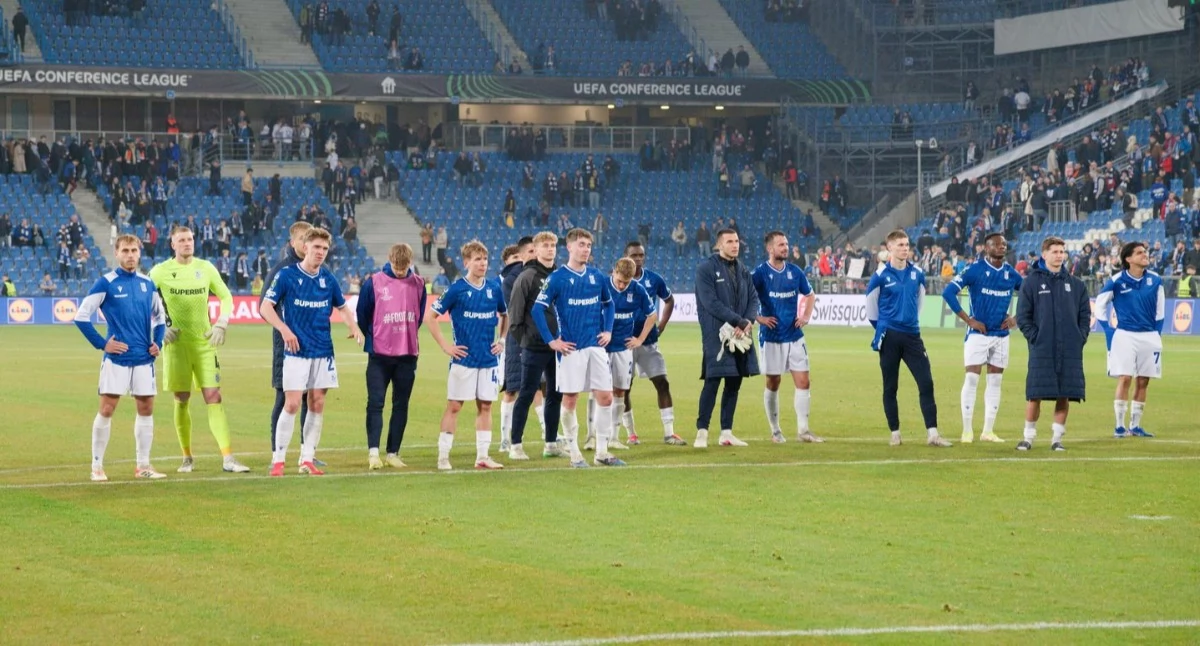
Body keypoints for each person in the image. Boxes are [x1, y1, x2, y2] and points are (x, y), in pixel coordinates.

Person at [260, 228, 364, 476]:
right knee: (293, 403)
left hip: (323, 351)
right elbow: (265, 307)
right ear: (305, 247)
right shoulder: (286, 275)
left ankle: (307, 459)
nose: (320, 252)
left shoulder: (328, 279)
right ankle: (279, 460)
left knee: (317, 403)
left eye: (325, 249)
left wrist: (355, 328)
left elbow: (342, 307)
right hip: (296, 351)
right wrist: (284, 329)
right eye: (316, 247)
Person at [148, 226, 250, 474]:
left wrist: (222, 323)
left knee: (213, 396)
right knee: (181, 399)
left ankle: (228, 458)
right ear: (172, 244)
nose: (187, 243)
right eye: (181, 240)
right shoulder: (160, 272)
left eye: (190, 239)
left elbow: (226, 297)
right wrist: (158, 328)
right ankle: (187, 457)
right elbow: (141, 301)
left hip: (205, 344)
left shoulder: (206, 268)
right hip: (176, 346)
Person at [73, 235, 167, 481]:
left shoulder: (148, 284)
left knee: (146, 408)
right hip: (117, 360)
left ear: (140, 253)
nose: (130, 255)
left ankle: (143, 466)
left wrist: (158, 342)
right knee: (106, 408)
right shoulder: (106, 283)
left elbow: (160, 319)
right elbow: (81, 316)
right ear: (116, 253)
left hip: (144, 359)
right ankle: (97, 467)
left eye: (134, 250)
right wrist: (103, 344)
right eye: (125, 250)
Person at [531, 228, 622, 467]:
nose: (586, 249)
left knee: (605, 397)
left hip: (596, 346)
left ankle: (602, 452)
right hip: (571, 349)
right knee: (570, 400)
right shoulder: (556, 278)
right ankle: (574, 454)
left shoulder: (597, 276)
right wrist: (552, 340)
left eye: (589, 245)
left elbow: (609, 304)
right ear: (569, 247)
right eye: (581, 244)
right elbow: (537, 309)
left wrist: (609, 330)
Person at [425, 240, 508, 470]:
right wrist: (446, 346)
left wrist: (501, 340)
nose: (482, 263)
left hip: (488, 359)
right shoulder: (457, 289)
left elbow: (505, 315)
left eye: (484, 259)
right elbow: (430, 317)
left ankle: (482, 456)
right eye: (477, 259)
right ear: (466, 262)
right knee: (454, 406)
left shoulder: (493, 288)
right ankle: (443, 456)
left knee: (486, 406)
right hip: (464, 359)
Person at [866, 230, 951, 447]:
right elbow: (871, 310)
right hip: (889, 337)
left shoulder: (918, 274)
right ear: (890, 248)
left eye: (906, 244)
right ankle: (895, 433)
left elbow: (920, 303)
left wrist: (908, 322)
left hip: (913, 336)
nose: (905, 248)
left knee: (926, 382)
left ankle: (933, 434)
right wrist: (886, 327)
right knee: (890, 387)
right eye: (900, 245)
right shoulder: (880, 276)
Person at [941, 233, 1022, 444]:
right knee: (971, 379)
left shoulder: (1011, 274)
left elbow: (1030, 295)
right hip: (978, 334)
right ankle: (967, 430)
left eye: (1004, 244)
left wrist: (1017, 318)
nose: (1002, 247)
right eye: (996, 244)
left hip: (1002, 335)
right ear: (986, 248)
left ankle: (988, 431)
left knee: (995, 381)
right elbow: (948, 293)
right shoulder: (974, 270)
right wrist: (969, 321)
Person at [1015, 236, 1091, 452]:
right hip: (1042, 347)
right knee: (1035, 392)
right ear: (1044, 255)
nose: (1059, 255)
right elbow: (1023, 317)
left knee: (1064, 392)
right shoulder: (1031, 282)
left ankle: (1057, 439)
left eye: (1062, 251)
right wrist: (1035, 337)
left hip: (1069, 348)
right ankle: (1028, 437)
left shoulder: (1076, 285)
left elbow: (1084, 316)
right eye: (1055, 251)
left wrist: (1079, 337)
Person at [357, 243, 426, 469]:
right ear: (389, 260)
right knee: (375, 402)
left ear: (410, 263)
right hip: (379, 354)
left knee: (401, 403)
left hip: (407, 354)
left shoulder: (418, 284)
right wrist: (377, 336)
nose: (399, 269)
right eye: (397, 265)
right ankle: (373, 453)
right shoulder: (374, 282)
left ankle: (393, 452)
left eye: (404, 266)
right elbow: (363, 315)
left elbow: (419, 316)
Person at [752, 231, 821, 444]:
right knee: (773, 382)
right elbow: (744, 298)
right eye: (781, 245)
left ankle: (803, 431)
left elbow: (810, 295)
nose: (785, 248)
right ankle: (775, 430)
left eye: (787, 244)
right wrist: (759, 319)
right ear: (770, 248)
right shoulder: (760, 273)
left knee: (803, 381)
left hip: (794, 335)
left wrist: (806, 316)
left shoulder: (795, 272)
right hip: (771, 337)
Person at [693, 228, 759, 448]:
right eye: (730, 241)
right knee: (712, 382)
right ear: (719, 245)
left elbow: (753, 298)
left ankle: (726, 432)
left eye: (737, 241)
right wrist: (738, 321)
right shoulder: (706, 269)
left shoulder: (743, 270)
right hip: (716, 336)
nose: (735, 245)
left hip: (741, 334)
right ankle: (702, 432)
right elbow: (710, 303)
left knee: (734, 382)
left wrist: (748, 320)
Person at [585, 257, 656, 452]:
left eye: (627, 281)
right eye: (619, 280)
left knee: (620, 392)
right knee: (596, 390)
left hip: (623, 348)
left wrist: (640, 339)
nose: (623, 285)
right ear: (613, 272)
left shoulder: (637, 290)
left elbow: (652, 315)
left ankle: (614, 437)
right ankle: (591, 436)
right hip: (600, 347)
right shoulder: (601, 286)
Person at [1094, 242, 1164, 439]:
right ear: (1128, 259)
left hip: (1149, 336)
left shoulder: (1156, 280)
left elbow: (1160, 313)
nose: (1145, 255)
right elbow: (1099, 305)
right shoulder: (1116, 281)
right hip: (1124, 335)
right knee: (1125, 378)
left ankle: (1135, 426)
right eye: (1140, 253)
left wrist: (1156, 335)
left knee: (1143, 380)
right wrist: (1108, 329)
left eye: (1145, 252)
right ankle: (1119, 425)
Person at [506, 231, 565, 461]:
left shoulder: (560, 276)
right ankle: (515, 444)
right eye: (545, 246)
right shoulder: (527, 276)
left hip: (558, 347)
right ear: (537, 249)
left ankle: (550, 443)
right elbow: (515, 315)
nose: (550, 249)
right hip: (533, 346)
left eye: (553, 245)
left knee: (555, 395)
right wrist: (526, 340)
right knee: (527, 394)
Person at [263, 222, 318, 463]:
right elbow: (264, 307)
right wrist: (284, 330)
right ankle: (278, 454)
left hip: (313, 344)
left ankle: (307, 454)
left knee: (310, 398)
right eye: (302, 239)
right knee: (285, 397)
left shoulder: (316, 269)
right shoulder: (280, 271)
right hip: (286, 346)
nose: (307, 244)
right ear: (293, 242)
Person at [622, 241, 686, 445]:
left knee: (662, 382)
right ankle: (631, 434)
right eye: (634, 255)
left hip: (649, 342)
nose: (638, 259)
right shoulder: (617, 280)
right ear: (626, 256)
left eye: (641, 255)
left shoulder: (653, 279)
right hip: (624, 344)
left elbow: (669, 300)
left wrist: (662, 324)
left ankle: (669, 433)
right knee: (624, 388)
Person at [498, 238, 547, 451]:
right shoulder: (512, 279)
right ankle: (504, 438)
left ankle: (548, 431)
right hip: (518, 339)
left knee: (537, 386)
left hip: (536, 338)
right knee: (512, 388)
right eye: (517, 257)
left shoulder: (540, 273)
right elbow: (516, 310)